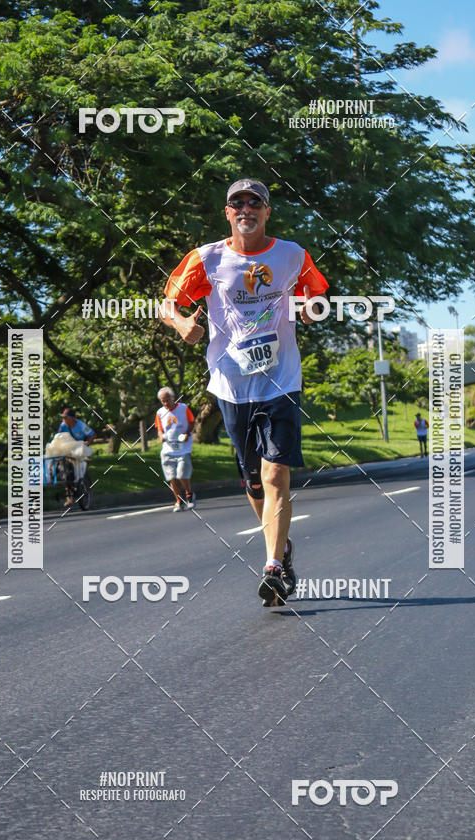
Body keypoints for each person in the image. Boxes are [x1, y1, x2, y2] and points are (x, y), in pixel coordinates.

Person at [160, 177, 328, 606]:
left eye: (256, 202)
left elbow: (316, 294)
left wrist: (311, 309)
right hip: (231, 384)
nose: (246, 209)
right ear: (228, 212)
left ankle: (273, 567)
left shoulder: (292, 255)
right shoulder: (206, 259)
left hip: (281, 380)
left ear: (267, 211)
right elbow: (168, 304)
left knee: (275, 474)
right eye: (238, 203)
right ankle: (281, 547)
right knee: (253, 480)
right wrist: (182, 324)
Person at [154, 387, 196, 511]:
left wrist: (187, 433)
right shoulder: (160, 412)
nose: (165, 403)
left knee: (182, 473)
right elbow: (159, 429)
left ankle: (189, 494)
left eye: (167, 400)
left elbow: (192, 422)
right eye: (163, 401)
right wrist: (161, 436)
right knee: (171, 476)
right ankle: (179, 500)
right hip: (168, 449)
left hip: (183, 449)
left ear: (173, 398)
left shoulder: (183, 408)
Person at [57, 407, 95, 506]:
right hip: (68, 450)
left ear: (72, 418)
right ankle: (69, 497)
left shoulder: (81, 425)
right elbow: (58, 438)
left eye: (66, 417)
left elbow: (92, 434)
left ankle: (84, 483)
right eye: (63, 417)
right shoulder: (63, 426)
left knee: (84, 464)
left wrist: (87, 443)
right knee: (65, 472)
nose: (64, 419)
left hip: (80, 449)